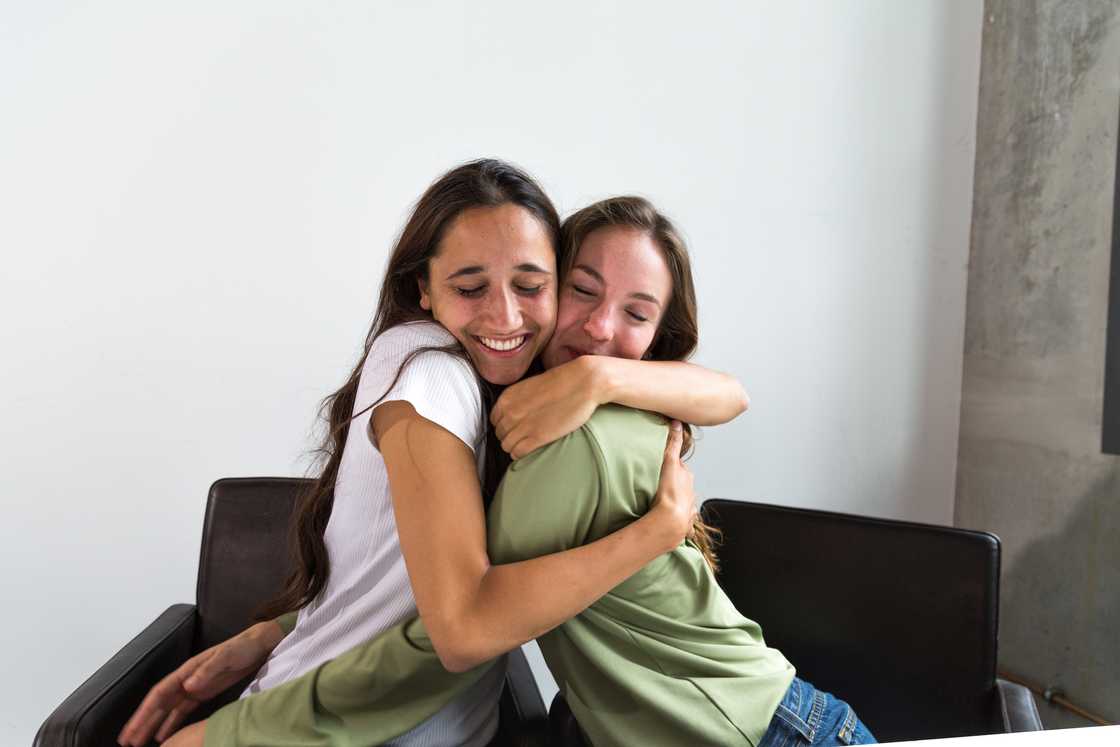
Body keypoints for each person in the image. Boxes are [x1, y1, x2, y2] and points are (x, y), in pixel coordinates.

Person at [117, 166, 748, 747]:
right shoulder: (434, 373)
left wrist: (601, 380)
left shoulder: (529, 402)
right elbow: (464, 628)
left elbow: (730, 393)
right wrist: (654, 532)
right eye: (470, 286)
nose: (505, 314)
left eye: (530, 286)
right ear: (422, 288)